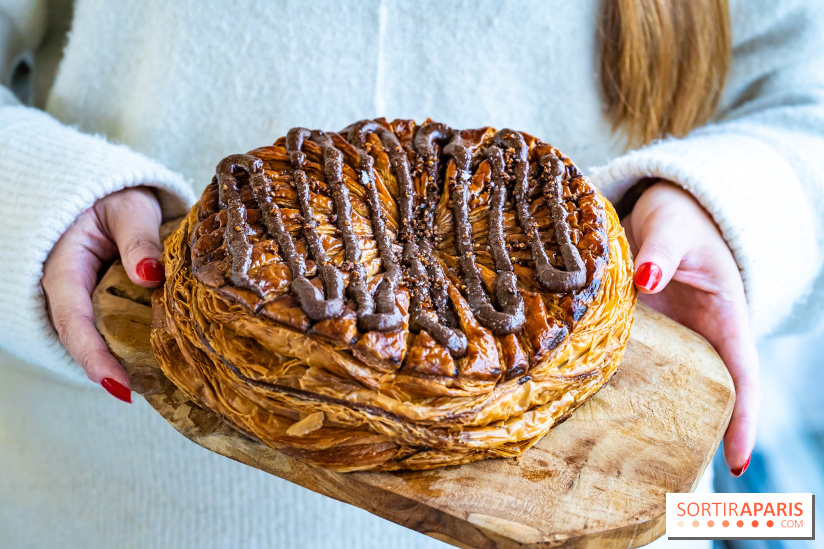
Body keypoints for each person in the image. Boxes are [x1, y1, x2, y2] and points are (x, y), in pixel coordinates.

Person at [1, 0, 822, 547]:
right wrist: (34, 195)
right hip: (110, 508)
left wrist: (728, 202)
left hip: (603, 498)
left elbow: (805, 101)